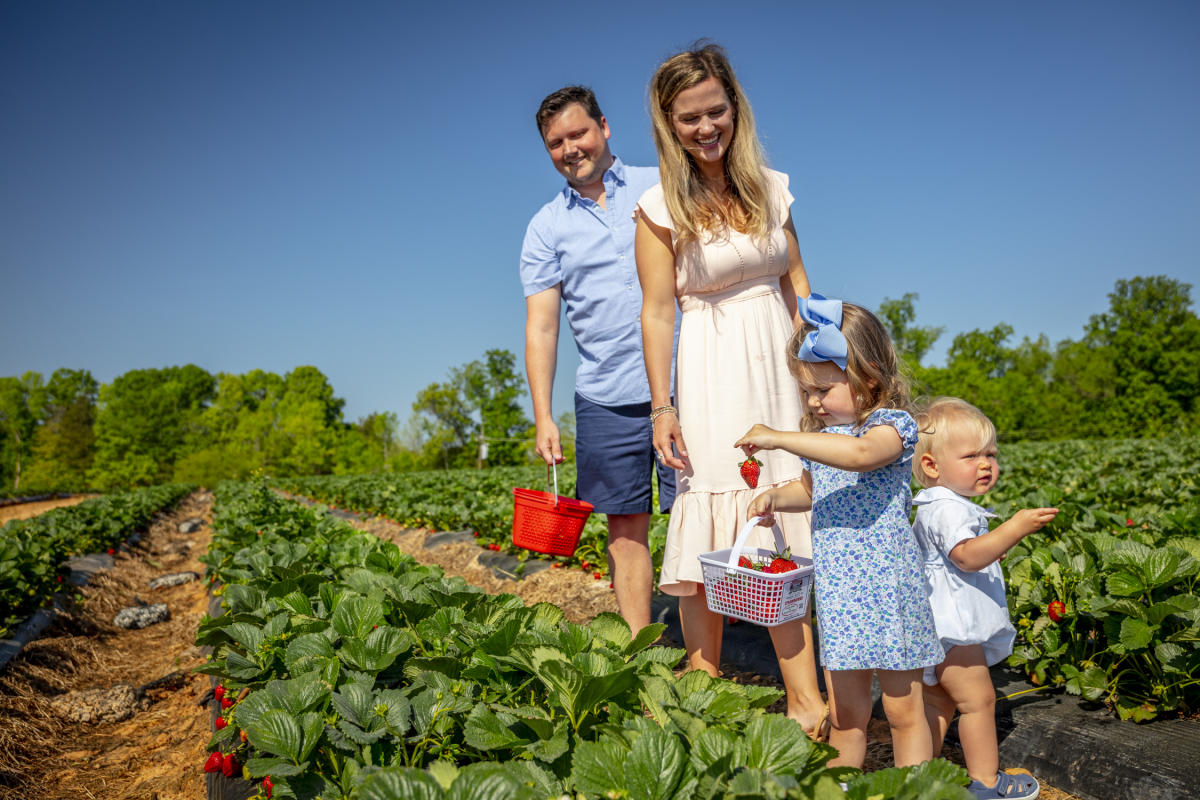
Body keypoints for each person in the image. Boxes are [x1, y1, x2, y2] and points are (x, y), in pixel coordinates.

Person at [636, 42, 826, 738]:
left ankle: (805, 698)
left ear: (734, 108)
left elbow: (796, 282)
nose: (706, 127)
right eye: (689, 118)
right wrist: (664, 406)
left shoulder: (772, 187)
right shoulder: (658, 207)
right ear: (668, 123)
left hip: (778, 361)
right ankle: (704, 684)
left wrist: (816, 371)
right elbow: (657, 311)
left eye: (716, 111)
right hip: (711, 370)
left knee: (782, 505)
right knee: (715, 507)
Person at [734, 295, 944, 768]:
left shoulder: (893, 427)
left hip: (889, 590)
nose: (813, 402)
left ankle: (913, 790)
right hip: (841, 593)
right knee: (847, 715)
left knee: (901, 711)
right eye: (806, 392)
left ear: (867, 376)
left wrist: (779, 436)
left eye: (823, 390)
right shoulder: (822, 440)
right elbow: (813, 488)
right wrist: (773, 496)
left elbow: (861, 458)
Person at [521, 86, 676, 634]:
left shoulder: (660, 184)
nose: (570, 149)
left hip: (685, 386)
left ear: (604, 127)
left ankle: (708, 658)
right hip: (606, 397)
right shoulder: (546, 227)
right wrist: (544, 414)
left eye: (578, 133)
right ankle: (639, 646)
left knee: (694, 518)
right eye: (555, 142)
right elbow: (541, 327)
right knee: (625, 530)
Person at [912, 397, 1056, 800]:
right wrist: (1015, 527)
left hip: (936, 625)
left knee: (938, 703)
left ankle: (919, 779)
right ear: (931, 465)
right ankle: (988, 784)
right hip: (955, 629)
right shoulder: (949, 509)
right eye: (971, 455)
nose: (985, 463)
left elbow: (963, 554)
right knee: (979, 701)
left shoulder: (939, 505)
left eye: (990, 454)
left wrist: (991, 546)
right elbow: (967, 557)